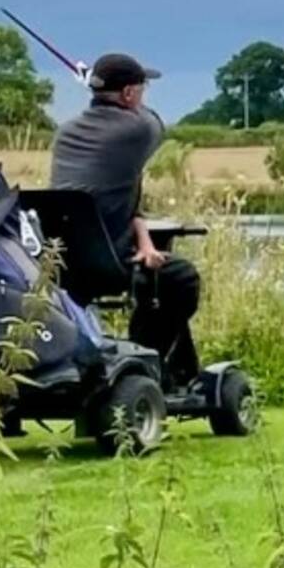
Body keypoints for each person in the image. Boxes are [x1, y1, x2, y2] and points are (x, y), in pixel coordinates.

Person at [49, 53, 200, 390]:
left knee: (161, 276)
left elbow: (112, 196)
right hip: (105, 264)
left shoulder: (65, 132)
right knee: (182, 279)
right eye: (142, 89)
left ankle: (176, 373)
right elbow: (155, 123)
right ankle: (149, 360)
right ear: (130, 94)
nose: (144, 96)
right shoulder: (136, 129)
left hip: (60, 262)